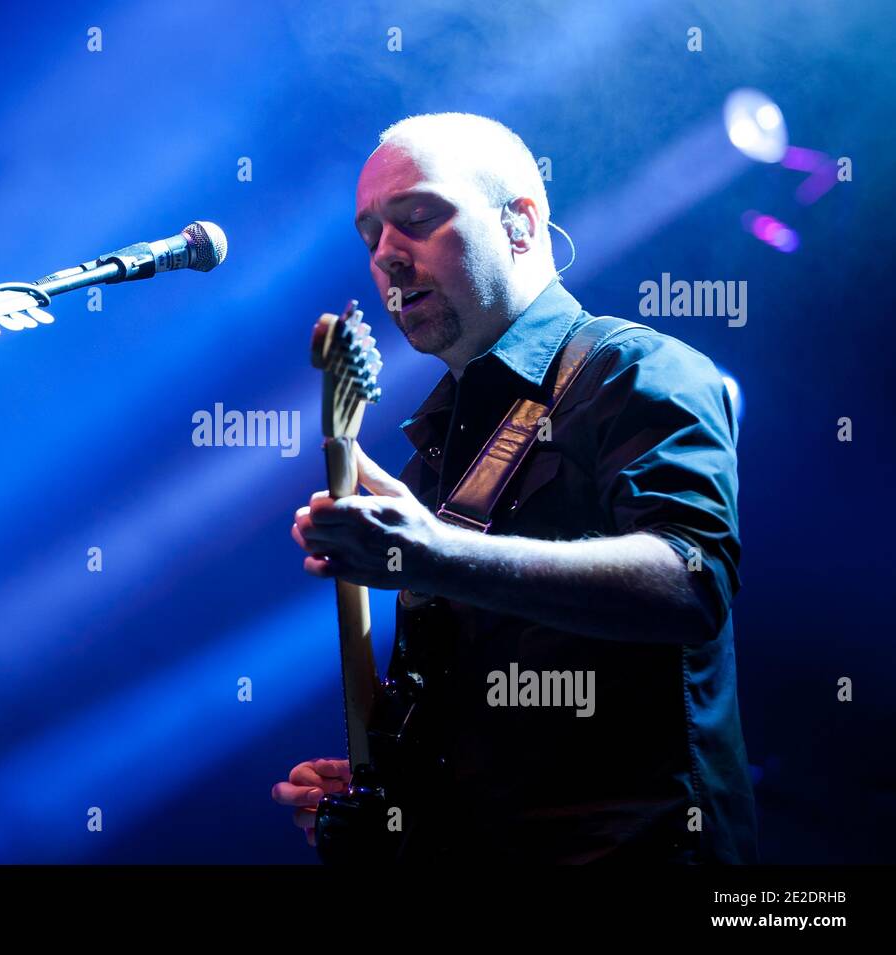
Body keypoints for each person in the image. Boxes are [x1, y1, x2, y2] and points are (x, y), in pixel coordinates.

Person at [273, 113, 757, 863]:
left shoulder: (637, 372)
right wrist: (386, 789)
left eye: (419, 218)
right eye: (371, 236)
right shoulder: (430, 455)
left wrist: (436, 553)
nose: (387, 256)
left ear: (521, 223)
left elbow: (692, 585)